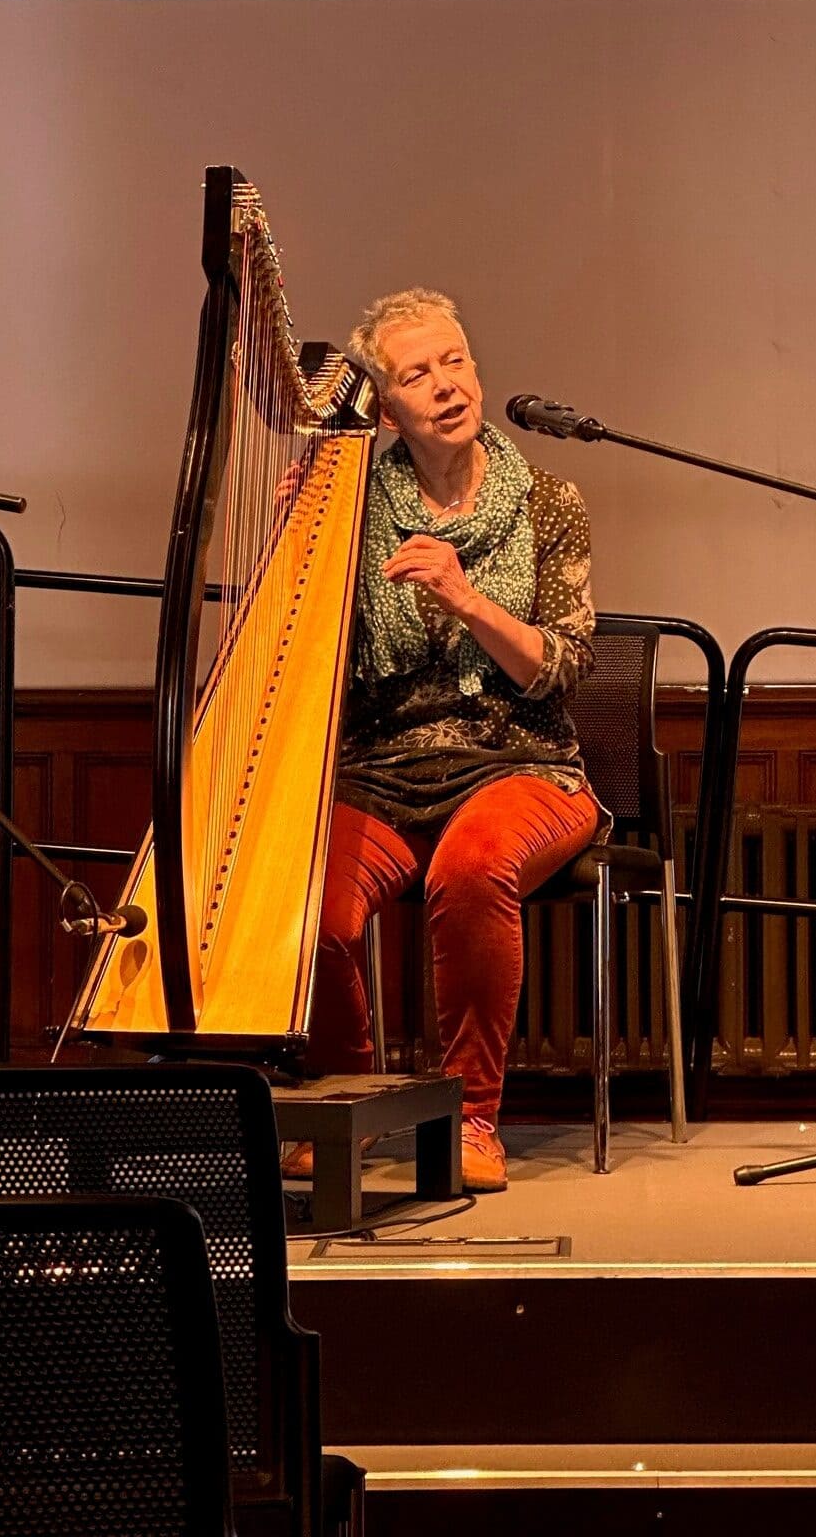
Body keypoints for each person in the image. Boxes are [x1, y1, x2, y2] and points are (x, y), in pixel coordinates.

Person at [294, 288, 602, 1193]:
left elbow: (564, 668)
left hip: (522, 762)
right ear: (385, 409)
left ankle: (471, 1122)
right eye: (417, 373)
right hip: (383, 771)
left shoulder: (550, 503)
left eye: (455, 360)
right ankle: (342, 1107)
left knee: (471, 869)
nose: (446, 385)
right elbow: (310, 664)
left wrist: (467, 599)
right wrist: (294, 540)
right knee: (313, 904)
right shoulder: (345, 508)